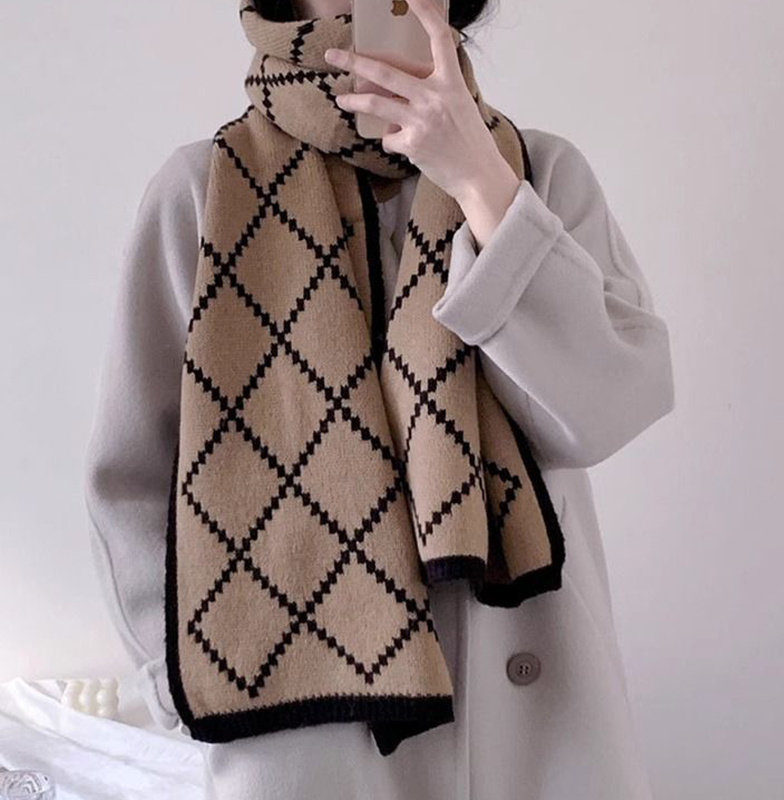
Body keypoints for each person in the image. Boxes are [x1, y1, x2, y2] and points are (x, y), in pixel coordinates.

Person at [83, 0, 675, 797]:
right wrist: (186, 677)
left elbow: (607, 411)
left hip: (537, 726)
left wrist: (481, 184)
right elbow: (133, 477)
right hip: (306, 735)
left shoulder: (538, 173)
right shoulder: (202, 189)